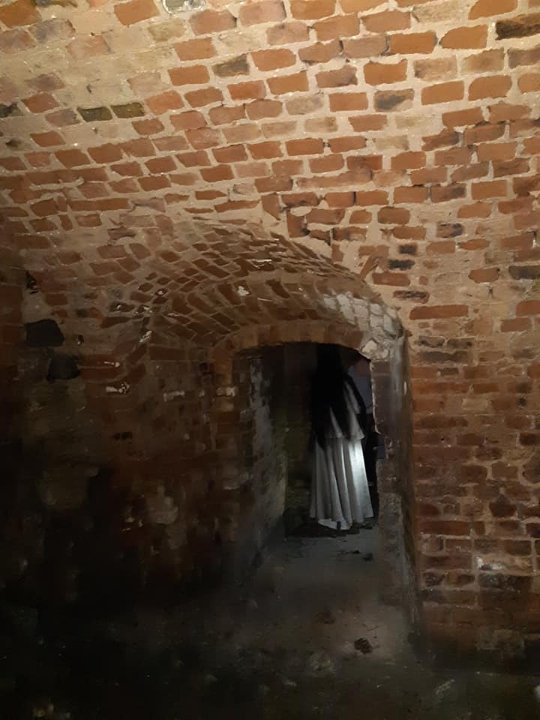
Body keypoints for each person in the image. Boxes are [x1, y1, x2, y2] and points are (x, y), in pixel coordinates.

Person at [309, 345, 373, 531]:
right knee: (350, 475)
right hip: (347, 434)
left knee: (330, 476)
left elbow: (314, 413)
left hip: (326, 436)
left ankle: (334, 517)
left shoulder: (316, 383)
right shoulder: (344, 381)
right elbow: (357, 407)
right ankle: (351, 515)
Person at [348, 354, 380, 515]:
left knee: (367, 448)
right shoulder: (350, 373)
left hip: (366, 412)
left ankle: (366, 482)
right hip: (359, 414)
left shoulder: (356, 372)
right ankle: (362, 483)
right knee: (360, 449)